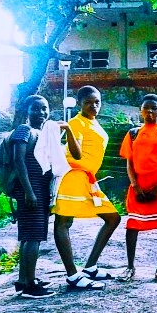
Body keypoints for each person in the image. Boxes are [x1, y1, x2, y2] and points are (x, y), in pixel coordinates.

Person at [51, 86, 122, 291]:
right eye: (88, 102)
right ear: (80, 103)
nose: (93, 106)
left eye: (97, 102)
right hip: (73, 175)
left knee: (112, 218)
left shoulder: (94, 122)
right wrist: (69, 131)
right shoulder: (75, 123)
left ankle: (90, 267)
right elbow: (77, 154)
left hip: (88, 179)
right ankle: (73, 275)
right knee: (63, 222)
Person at [12, 95, 80, 299]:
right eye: (36, 109)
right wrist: (29, 191)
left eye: (45, 108)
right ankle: (29, 286)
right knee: (33, 237)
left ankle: (24, 280)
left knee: (29, 236)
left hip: (38, 190)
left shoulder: (42, 133)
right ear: (27, 111)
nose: (41, 113)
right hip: (30, 190)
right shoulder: (24, 130)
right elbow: (18, 161)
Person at [117, 94, 157, 284]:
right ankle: (130, 267)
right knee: (132, 225)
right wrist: (135, 186)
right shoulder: (133, 134)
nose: (150, 112)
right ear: (141, 110)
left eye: (154, 108)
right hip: (138, 186)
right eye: (146, 108)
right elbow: (129, 163)